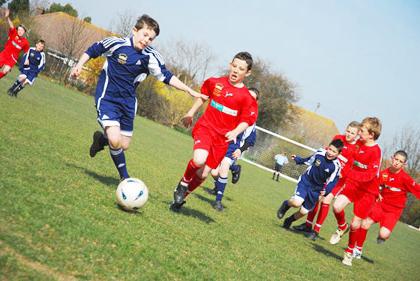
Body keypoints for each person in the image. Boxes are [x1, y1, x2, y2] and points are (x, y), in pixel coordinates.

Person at [70, 14, 203, 181]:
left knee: (123, 145)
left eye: (151, 38)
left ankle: (100, 140)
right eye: (145, 35)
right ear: (135, 31)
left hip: (128, 103)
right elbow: (92, 50)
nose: (147, 40)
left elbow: (167, 76)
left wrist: (189, 90)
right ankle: (125, 178)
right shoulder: (117, 44)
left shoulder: (150, 56)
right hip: (107, 99)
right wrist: (79, 66)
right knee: (115, 139)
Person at [171, 52, 258, 212]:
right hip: (206, 128)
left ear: (248, 72)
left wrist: (235, 132)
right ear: (230, 65)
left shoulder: (247, 98)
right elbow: (203, 97)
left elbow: (247, 120)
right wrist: (190, 113)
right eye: (234, 66)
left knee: (203, 174)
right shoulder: (215, 82)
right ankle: (182, 185)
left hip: (222, 140)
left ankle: (181, 198)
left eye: (241, 68)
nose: (236, 70)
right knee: (199, 159)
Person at [293, 121, 361, 240]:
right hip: (327, 175)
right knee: (316, 198)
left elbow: (351, 166)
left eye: (352, 133)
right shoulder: (338, 138)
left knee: (326, 200)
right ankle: (308, 225)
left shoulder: (355, 149)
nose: (349, 134)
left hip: (339, 180)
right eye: (348, 131)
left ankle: (316, 230)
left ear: (357, 135)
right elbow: (326, 150)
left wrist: (342, 173)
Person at [330, 117, 382, 267]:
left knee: (355, 224)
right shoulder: (358, 144)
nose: (359, 133)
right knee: (337, 206)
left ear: (371, 134)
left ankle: (349, 252)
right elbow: (350, 162)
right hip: (353, 185)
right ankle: (341, 227)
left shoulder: (376, 152)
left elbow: (371, 175)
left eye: (362, 130)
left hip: (367, 191)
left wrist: (351, 175)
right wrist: (344, 173)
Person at [351, 150, 419, 260]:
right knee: (365, 223)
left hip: (394, 211)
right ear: (392, 158)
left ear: (404, 164)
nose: (397, 162)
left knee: (383, 234)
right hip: (381, 205)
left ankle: (382, 236)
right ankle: (357, 250)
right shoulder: (383, 174)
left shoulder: (405, 179)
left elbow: (417, 190)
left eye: (400, 161)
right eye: (396, 159)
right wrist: (378, 193)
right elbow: (375, 187)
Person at [207, 87, 259, 211]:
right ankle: (234, 169)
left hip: (234, 146)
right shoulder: (233, 106)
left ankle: (218, 202)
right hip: (221, 141)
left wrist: (241, 150)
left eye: (253, 98)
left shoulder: (251, 118)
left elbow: (250, 140)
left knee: (224, 167)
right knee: (214, 172)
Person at [276, 139, 343, 229]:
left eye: (334, 151)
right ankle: (286, 205)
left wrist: (326, 191)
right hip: (306, 182)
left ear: (339, 154)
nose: (330, 153)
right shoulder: (319, 153)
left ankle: (289, 220)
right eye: (330, 149)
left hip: (316, 190)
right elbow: (309, 160)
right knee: (296, 203)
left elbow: (333, 181)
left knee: (303, 212)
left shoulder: (336, 166)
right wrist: (298, 159)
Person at [0, 8, 30, 80]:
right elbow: (11, 26)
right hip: (4, 54)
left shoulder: (25, 42)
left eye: (22, 30)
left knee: (5, 70)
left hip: (12, 59)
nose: (20, 31)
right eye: (19, 29)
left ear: (24, 32)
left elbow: (27, 52)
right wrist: (7, 17)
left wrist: (27, 60)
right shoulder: (14, 33)